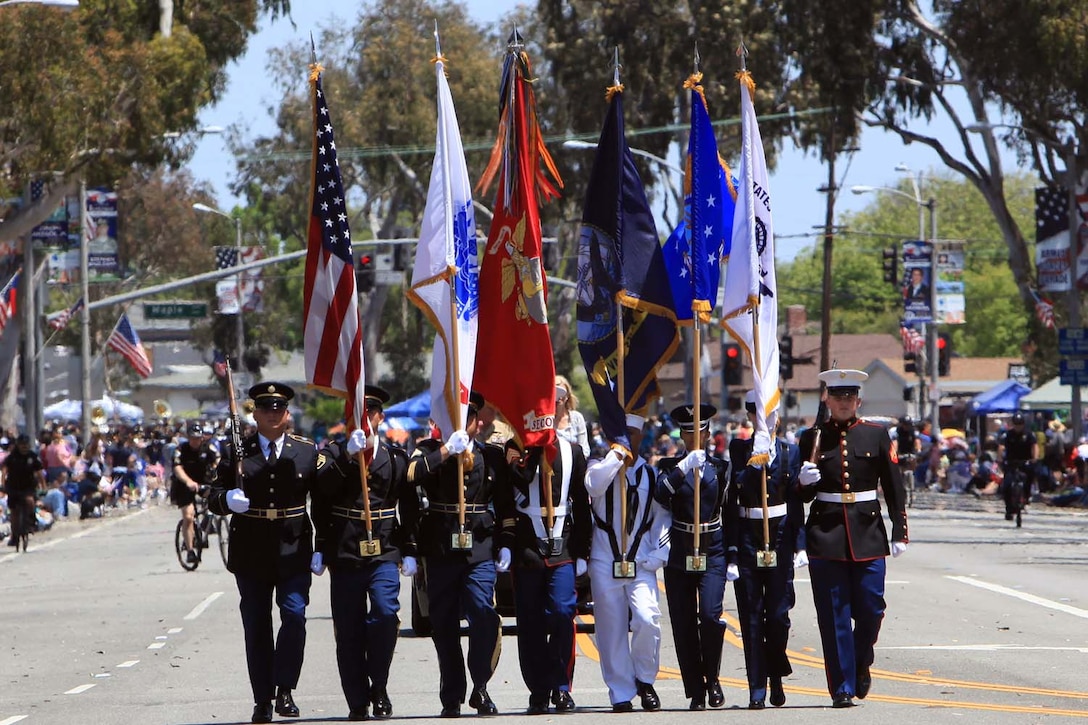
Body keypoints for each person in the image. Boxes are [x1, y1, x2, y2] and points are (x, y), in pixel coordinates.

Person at [207, 382, 318, 724]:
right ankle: (262, 700)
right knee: (256, 626)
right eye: (265, 408)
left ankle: (284, 687)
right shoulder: (235, 451)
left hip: (293, 545)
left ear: (287, 414)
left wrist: (324, 546)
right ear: (254, 413)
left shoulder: (306, 451)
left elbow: (327, 500)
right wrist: (227, 500)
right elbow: (214, 495)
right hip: (251, 548)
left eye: (278, 408)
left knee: (295, 615)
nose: (272, 414)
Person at [797, 369, 908, 708]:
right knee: (834, 616)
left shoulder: (876, 435)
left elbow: (893, 485)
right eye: (837, 397)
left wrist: (899, 530)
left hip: (868, 532)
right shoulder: (811, 437)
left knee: (872, 607)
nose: (844, 403)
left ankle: (861, 661)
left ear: (859, 401)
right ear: (827, 400)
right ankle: (842, 685)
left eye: (850, 397)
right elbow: (800, 496)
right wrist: (803, 481)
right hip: (826, 533)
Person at [311, 385, 418, 721]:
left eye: (370, 412)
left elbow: (410, 506)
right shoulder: (332, 455)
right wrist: (346, 457)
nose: (364, 419)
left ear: (380, 417)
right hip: (345, 549)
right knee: (349, 628)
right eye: (357, 412)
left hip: (385, 548)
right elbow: (321, 495)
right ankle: (357, 700)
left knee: (386, 614)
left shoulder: (396, 458)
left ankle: (380, 683)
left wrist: (410, 547)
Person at [406, 391, 510, 717]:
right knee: (444, 623)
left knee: (483, 612)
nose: (463, 424)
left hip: (478, 546)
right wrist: (445, 450)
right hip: (440, 546)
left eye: (468, 418)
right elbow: (411, 477)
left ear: (478, 423)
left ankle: (480, 685)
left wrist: (506, 540)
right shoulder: (429, 451)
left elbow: (505, 501)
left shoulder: (491, 456)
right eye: (456, 419)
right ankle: (452, 693)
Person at [496, 433, 590, 715]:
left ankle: (561, 686)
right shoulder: (513, 448)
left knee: (563, 612)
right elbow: (519, 481)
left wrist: (583, 551)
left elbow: (581, 503)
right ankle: (538, 689)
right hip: (528, 547)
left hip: (562, 546)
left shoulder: (572, 450)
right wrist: (534, 448)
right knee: (531, 621)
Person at [583, 414, 670, 712]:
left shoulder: (649, 474)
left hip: (640, 558)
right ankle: (620, 690)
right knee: (611, 628)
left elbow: (662, 517)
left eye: (632, 434)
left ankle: (645, 680)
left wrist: (659, 553)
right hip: (605, 556)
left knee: (647, 618)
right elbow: (593, 487)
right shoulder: (599, 466)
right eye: (622, 434)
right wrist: (615, 458)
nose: (628, 439)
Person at [726, 392, 804, 709]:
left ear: (778, 417)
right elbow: (735, 496)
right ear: (748, 418)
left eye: (768, 414)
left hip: (781, 536)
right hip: (748, 534)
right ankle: (757, 687)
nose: (762, 420)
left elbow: (797, 501)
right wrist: (731, 551)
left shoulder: (789, 452)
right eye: (756, 414)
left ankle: (776, 671)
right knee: (752, 617)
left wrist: (799, 545)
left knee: (778, 616)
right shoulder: (739, 449)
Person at [654, 402, 731, 710]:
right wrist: (684, 467)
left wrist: (734, 554)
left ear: (708, 432)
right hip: (680, 546)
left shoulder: (720, 468)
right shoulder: (667, 466)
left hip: (712, 546)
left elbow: (728, 510)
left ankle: (712, 678)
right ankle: (695, 689)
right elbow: (661, 493)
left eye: (699, 431)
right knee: (683, 622)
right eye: (688, 433)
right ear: (682, 436)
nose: (694, 438)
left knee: (711, 616)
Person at [173, 421, 221, 564]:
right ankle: (190, 550)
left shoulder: (208, 448)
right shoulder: (181, 449)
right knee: (188, 516)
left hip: (203, 481)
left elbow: (218, 458)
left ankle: (207, 524)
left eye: (198, 438)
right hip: (184, 485)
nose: (196, 441)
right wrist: (188, 481)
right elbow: (177, 467)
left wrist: (214, 468)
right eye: (193, 438)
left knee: (215, 498)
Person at [1, 435, 45, 549]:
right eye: (22, 445)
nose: (24, 447)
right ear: (18, 445)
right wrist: (3, 484)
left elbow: (39, 472)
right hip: (13, 486)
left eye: (26, 445)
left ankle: (31, 520)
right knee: (14, 512)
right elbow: (5, 469)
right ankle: (14, 535)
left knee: (29, 500)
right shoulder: (12, 457)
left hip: (28, 486)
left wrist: (43, 486)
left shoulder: (32, 456)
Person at [999, 412, 1036, 521]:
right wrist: (1000, 459)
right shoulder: (1008, 435)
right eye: (1016, 424)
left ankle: (1026, 496)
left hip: (1025, 461)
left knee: (1030, 476)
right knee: (1007, 485)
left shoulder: (1029, 434)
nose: (1018, 426)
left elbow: (1034, 446)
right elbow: (1001, 447)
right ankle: (1009, 509)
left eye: (1020, 424)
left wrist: (1034, 458)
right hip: (1011, 462)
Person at [554, 376, 590, 457]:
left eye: (562, 392)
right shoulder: (546, 419)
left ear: (567, 396)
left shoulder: (577, 418)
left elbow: (585, 450)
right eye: (555, 392)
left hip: (574, 464)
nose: (559, 397)